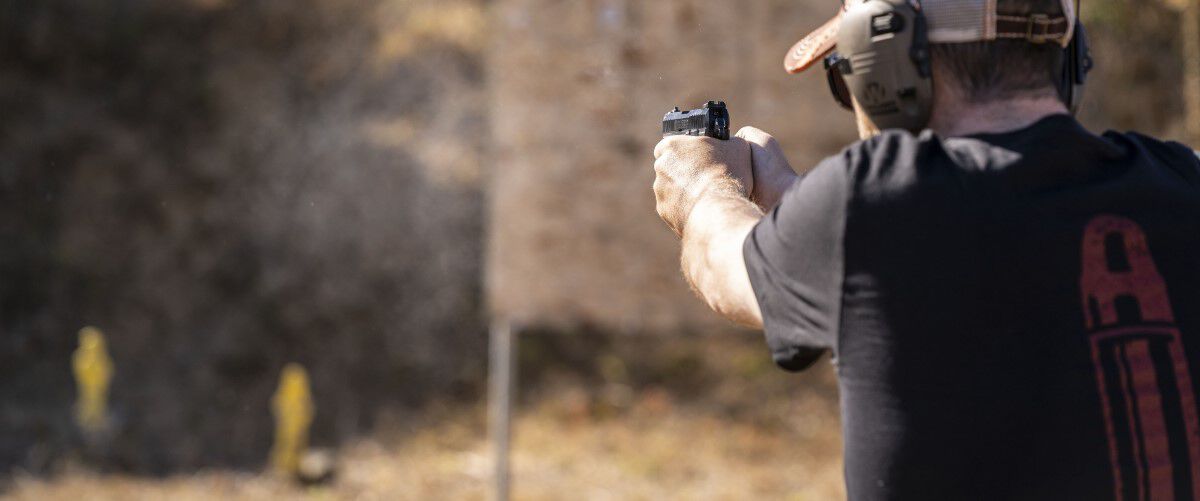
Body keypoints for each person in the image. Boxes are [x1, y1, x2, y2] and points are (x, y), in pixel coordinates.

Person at [652, 0, 1200, 499]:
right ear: (1071, 56)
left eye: (844, 75)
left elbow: (727, 266)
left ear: (882, 64)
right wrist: (798, 205)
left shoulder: (866, 211)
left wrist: (702, 186)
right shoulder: (1182, 184)